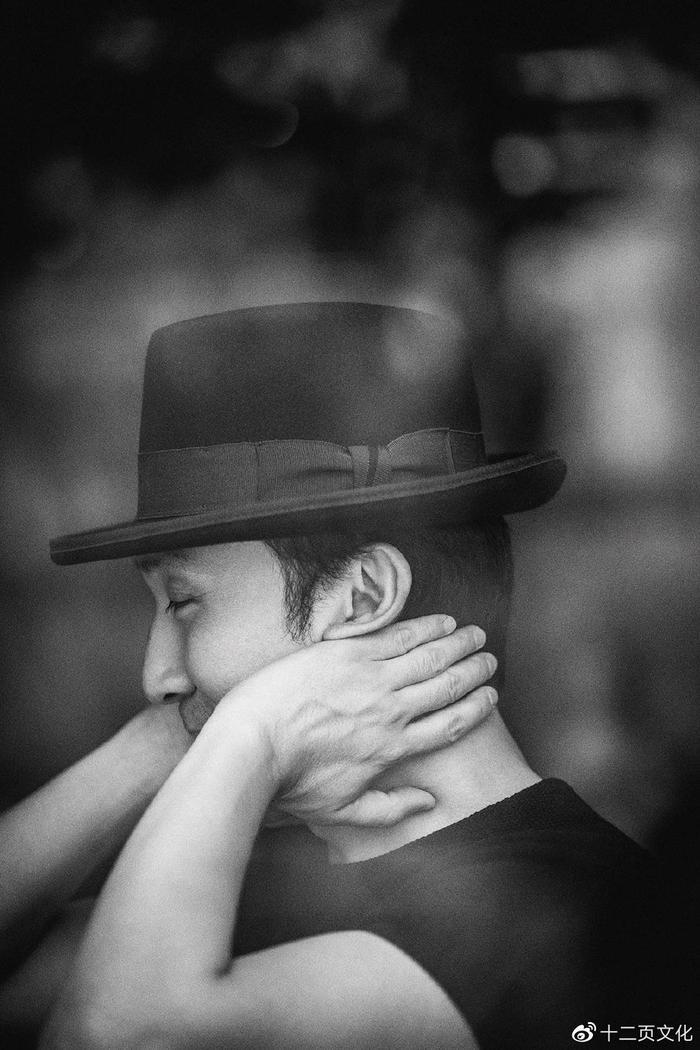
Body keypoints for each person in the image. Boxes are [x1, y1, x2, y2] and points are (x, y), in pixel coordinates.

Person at [0, 303, 669, 1049]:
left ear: (363, 598)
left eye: (184, 602)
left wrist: (252, 731)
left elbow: (115, 1032)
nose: (157, 676)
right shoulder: (257, 882)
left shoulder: (570, 911)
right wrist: (151, 749)